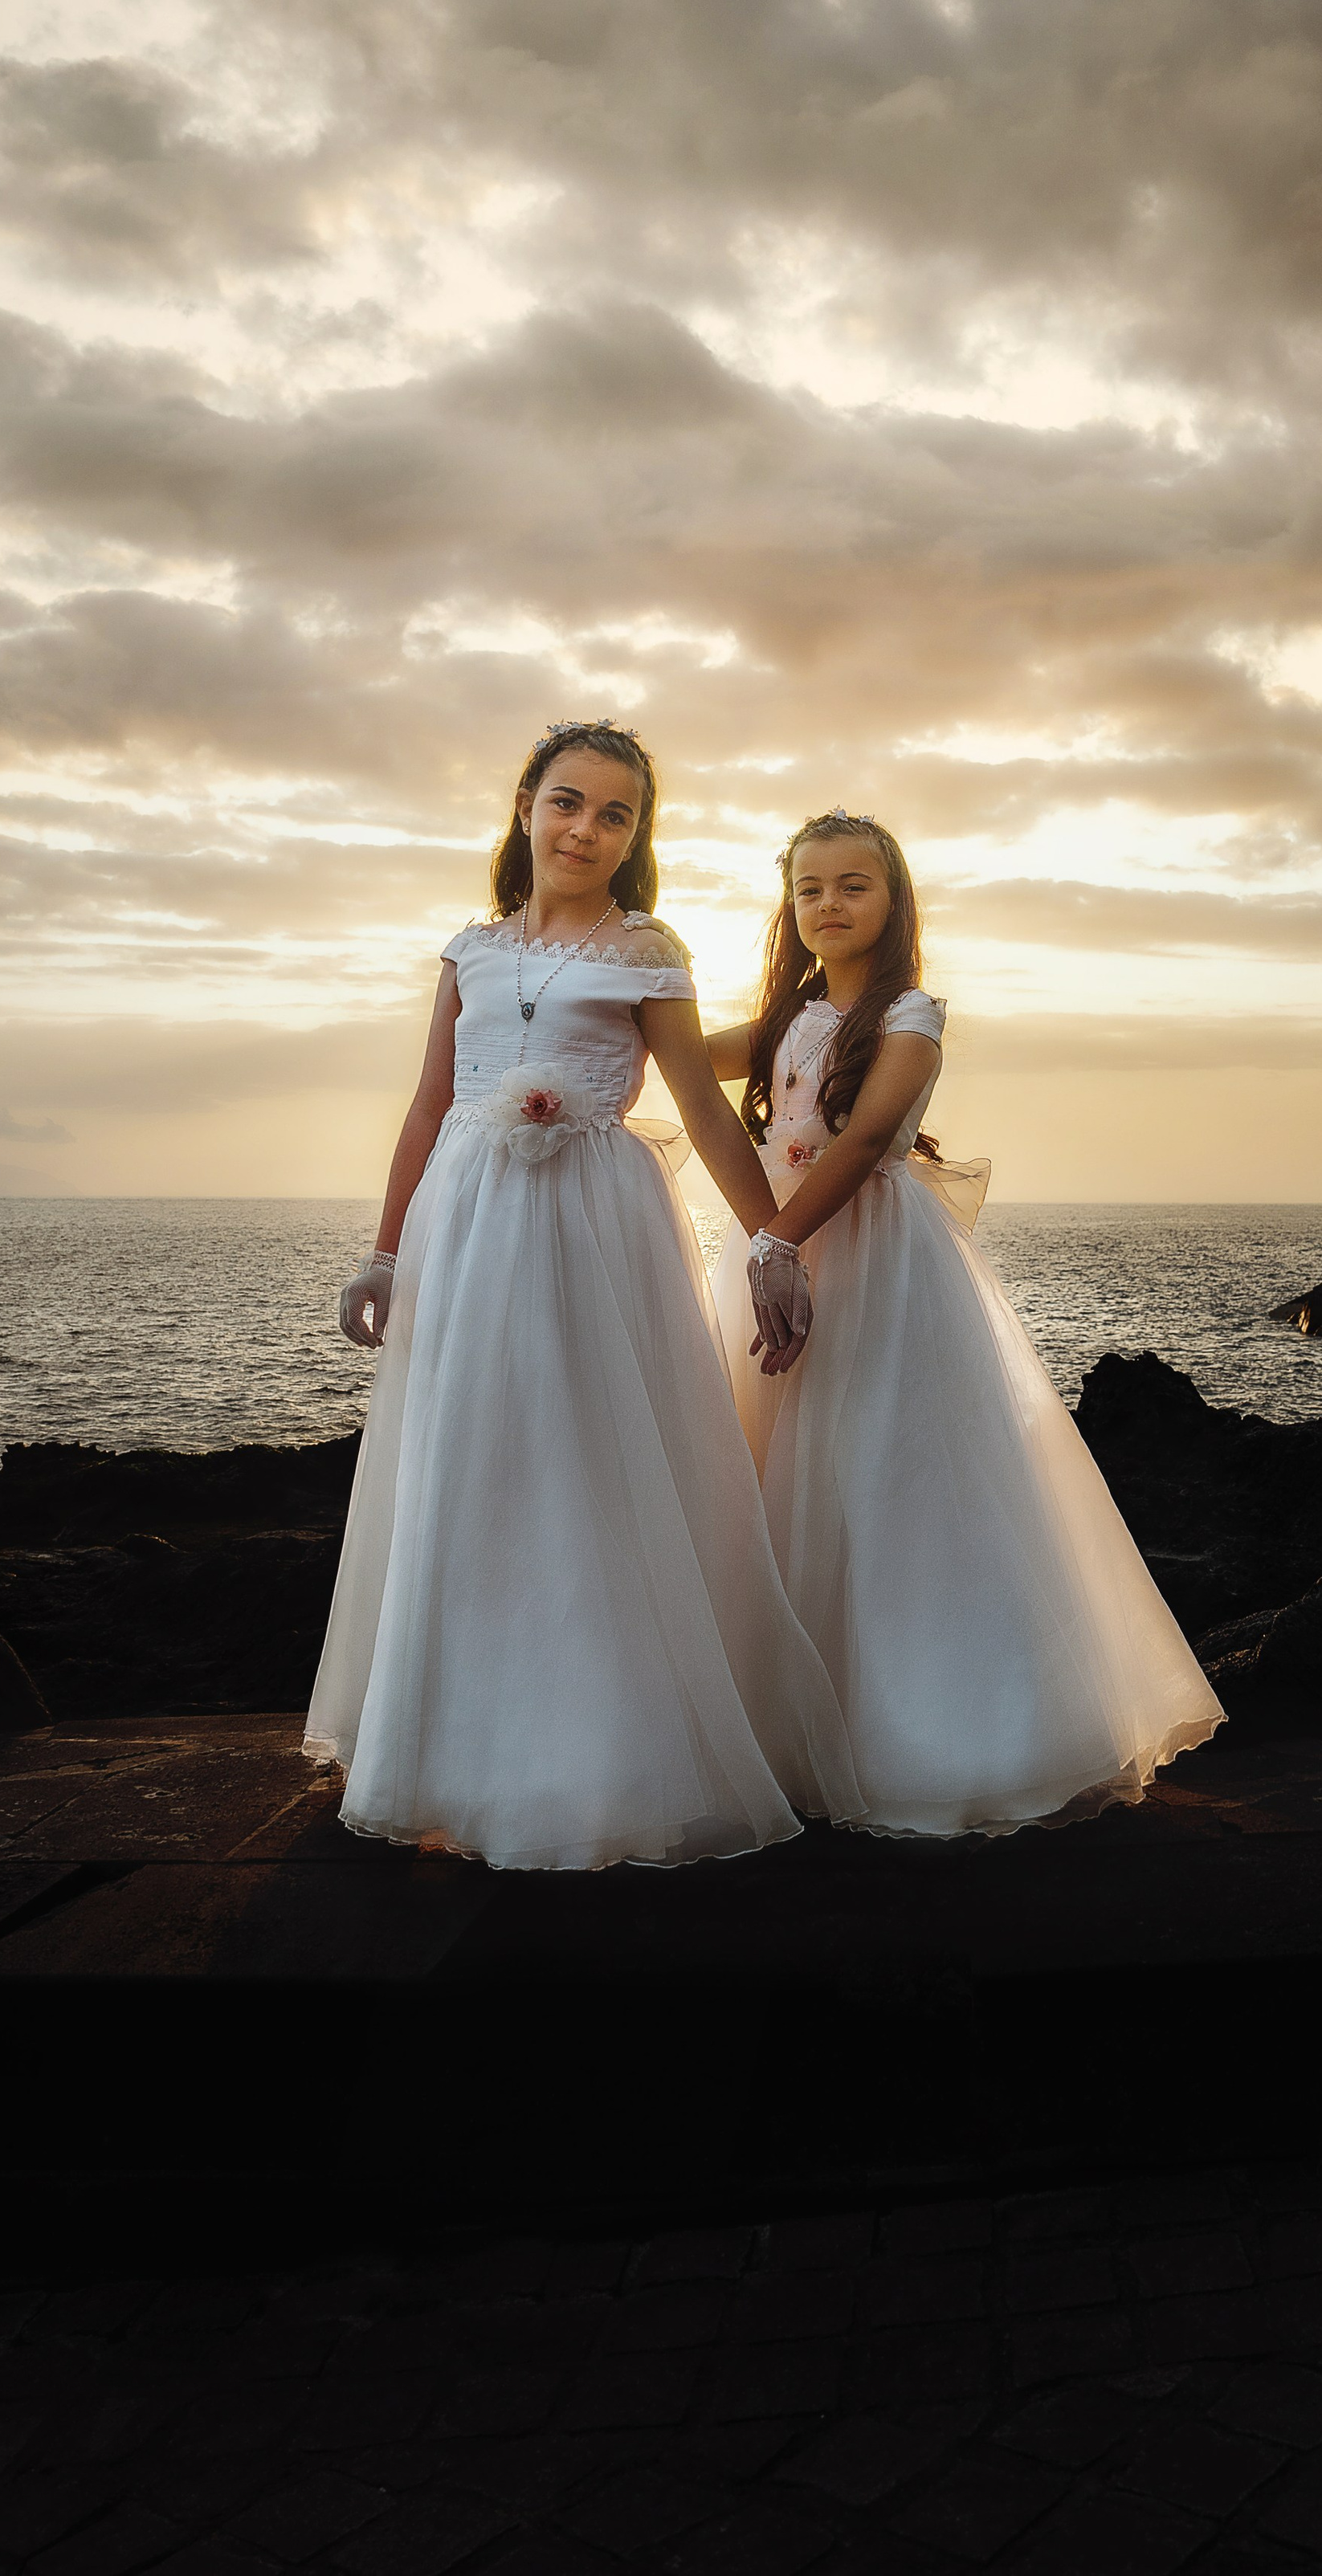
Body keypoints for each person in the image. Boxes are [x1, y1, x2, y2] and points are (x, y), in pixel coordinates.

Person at [306, 723, 856, 1869]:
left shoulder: (648, 951)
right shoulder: (470, 950)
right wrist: (387, 1250)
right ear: (524, 805)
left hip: (592, 1232)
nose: (586, 830)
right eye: (568, 803)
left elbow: (705, 1110)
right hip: (466, 1225)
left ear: (634, 837)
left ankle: (606, 1752)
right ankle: (455, 1750)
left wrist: (770, 1241)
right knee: (470, 1461)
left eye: (615, 815)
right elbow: (425, 1108)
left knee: (582, 1464)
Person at [708, 809, 1223, 1838]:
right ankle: (788, 1731)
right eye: (809, 888)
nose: (829, 905)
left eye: (854, 885)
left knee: (884, 1476)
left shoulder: (911, 1014)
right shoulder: (786, 1018)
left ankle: (938, 1737)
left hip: (868, 1261)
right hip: (775, 1242)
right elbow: (683, 1050)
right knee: (769, 1477)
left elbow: (855, 1146)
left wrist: (778, 1242)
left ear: (892, 901)